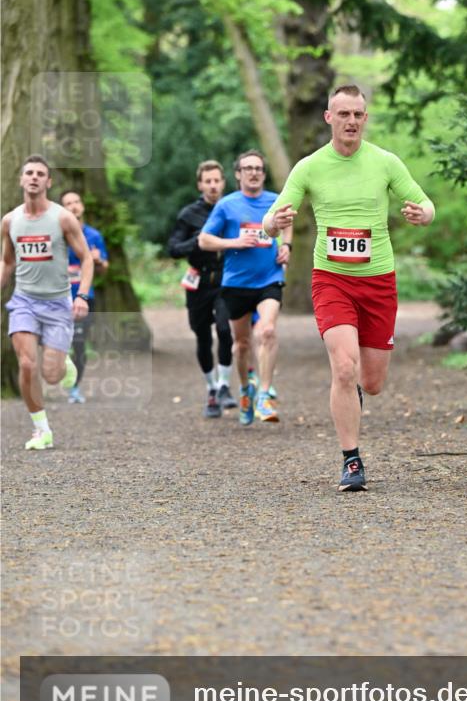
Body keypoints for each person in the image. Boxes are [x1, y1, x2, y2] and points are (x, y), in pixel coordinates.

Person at [263, 84, 435, 492]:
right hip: (332, 279)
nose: (352, 121)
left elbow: (426, 204)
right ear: (329, 118)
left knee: (371, 383)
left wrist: (422, 214)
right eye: (344, 114)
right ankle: (351, 460)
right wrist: (273, 223)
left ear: (365, 118)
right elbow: (274, 216)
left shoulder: (386, 162)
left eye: (358, 114)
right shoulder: (309, 166)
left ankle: (353, 387)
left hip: (378, 281)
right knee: (343, 367)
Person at [1, 156, 93, 450]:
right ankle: (41, 430)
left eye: (40, 174)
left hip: (57, 304)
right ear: (21, 179)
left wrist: (82, 296)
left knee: (51, 375)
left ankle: (62, 362)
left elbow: (87, 258)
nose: (34, 177)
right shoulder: (10, 221)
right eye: (29, 172)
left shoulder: (62, 218)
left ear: (48, 182)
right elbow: (7, 261)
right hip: (24, 300)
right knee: (27, 364)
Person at [199, 150, 293, 426]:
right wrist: (233, 243)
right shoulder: (226, 205)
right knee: (241, 345)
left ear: (263, 174)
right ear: (238, 174)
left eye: (258, 169)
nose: (253, 173)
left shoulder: (276, 201)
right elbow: (205, 240)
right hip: (236, 284)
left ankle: (264, 393)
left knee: (267, 330)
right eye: (247, 168)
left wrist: (287, 246)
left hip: (269, 279)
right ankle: (244, 390)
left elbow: (288, 225)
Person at [168, 160, 237, 417]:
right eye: (207, 181)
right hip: (198, 282)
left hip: (225, 281)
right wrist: (197, 242)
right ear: (200, 184)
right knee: (203, 337)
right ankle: (211, 389)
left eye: (217, 180)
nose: (212, 185)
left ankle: (224, 386)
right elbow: (173, 248)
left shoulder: (232, 209)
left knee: (224, 329)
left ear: (223, 182)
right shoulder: (188, 214)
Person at [60, 190, 109, 403]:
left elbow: (104, 269)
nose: (73, 206)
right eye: (68, 203)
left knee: (79, 343)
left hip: (84, 297)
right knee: (58, 342)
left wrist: (97, 261)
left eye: (76, 201)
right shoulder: (57, 235)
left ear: (82, 205)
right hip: (58, 297)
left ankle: (74, 388)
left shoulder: (94, 236)